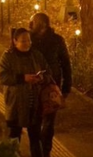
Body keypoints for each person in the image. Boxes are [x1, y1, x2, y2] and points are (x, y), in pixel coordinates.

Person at [0, 27, 48, 157]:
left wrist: (42, 78)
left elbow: (47, 71)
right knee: (14, 137)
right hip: (16, 103)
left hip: (35, 103)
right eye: (23, 41)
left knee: (35, 137)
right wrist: (23, 78)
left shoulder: (36, 55)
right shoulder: (8, 57)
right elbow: (3, 77)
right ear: (15, 41)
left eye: (29, 41)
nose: (27, 44)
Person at [29, 12, 72, 156]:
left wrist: (66, 87)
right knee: (38, 122)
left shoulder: (56, 41)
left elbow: (65, 64)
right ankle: (41, 151)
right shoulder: (28, 40)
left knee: (46, 121)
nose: (31, 25)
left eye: (33, 23)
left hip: (50, 86)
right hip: (35, 86)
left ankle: (43, 151)